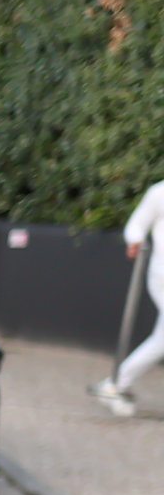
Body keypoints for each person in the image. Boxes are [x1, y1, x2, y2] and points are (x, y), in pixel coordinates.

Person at [97, 175, 164, 416]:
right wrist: (135, 241)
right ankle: (115, 384)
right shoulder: (159, 192)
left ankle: (115, 384)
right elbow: (136, 225)